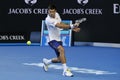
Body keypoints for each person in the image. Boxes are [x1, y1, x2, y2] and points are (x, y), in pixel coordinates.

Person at [43, 4, 80, 77]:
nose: (51, 13)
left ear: (55, 11)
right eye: (50, 12)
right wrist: (71, 26)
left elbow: (61, 23)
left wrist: (71, 28)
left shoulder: (57, 15)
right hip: (52, 40)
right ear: (48, 11)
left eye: (53, 12)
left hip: (58, 39)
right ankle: (65, 71)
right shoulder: (48, 20)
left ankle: (47, 62)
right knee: (61, 50)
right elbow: (58, 26)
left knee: (60, 59)